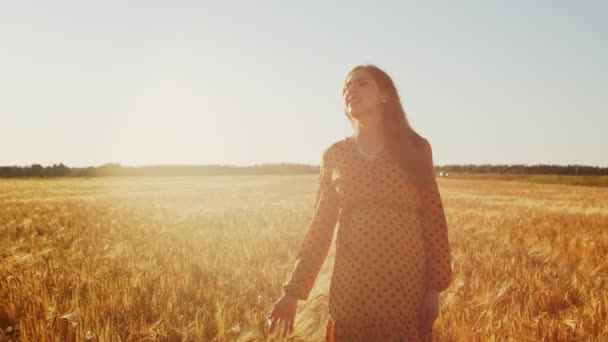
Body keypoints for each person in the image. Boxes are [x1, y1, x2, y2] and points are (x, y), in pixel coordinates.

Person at [267, 64, 453, 341]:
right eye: (346, 87)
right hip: (351, 285)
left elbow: (434, 218)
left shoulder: (415, 148)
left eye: (361, 83)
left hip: (405, 283)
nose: (350, 90)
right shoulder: (335, 155)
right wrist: (292, 293)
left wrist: (434, 289)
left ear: (385, 94)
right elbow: (321, 227)